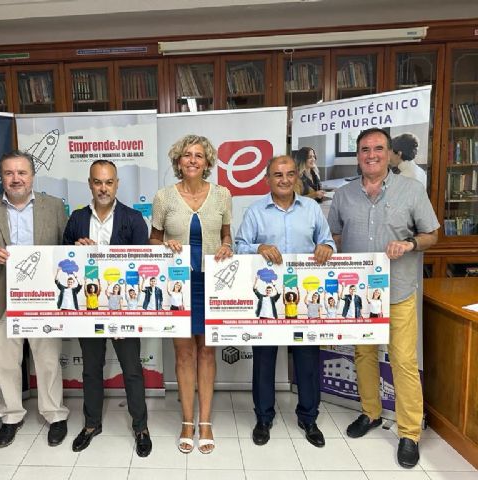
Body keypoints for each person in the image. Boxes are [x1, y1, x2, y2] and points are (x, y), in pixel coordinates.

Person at [328, 127, 439, 468]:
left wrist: (409, 244)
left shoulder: (411, 190)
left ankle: (408, 432)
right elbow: (334, 234)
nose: (371, 155)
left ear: (390, 154)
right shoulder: (344, 195)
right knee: (363, 355)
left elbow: (432, 234)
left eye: (378, 148)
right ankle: (371, 413)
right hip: (360, 296)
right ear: (358, 155)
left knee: (403, 361)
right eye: (364, 149)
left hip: (399, 291)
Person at [0, 150, 69, 449]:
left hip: (44, 299)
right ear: (2, 177)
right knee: (6, 362)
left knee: (49, 360)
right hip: (2, 296)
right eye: (9, 173)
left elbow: (65, 249)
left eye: (22, 173)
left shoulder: (53, 207)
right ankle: (11, 416)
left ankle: (54, 414)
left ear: (32, 176)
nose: (16, 179)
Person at [235, 154, 335, 449]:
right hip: (267, 298)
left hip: (303, 301)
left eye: (290, 174)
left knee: (306, 361)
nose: (284, 179)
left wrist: (325, 248)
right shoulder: (255, 211)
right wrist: (259, 246)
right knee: (264, 360)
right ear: (268, 179)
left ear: (297, 177)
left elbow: (328, 241)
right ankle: (263, 418)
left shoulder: (312, 209)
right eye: (278, 175)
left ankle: (308, 417)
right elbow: (240, 247)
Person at [62, 159, 152, 457]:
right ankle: (91, 424)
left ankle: (141, 427)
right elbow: (63, 262)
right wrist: (76, 247)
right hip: (88, 309)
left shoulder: (133, 219)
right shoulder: (76, 219)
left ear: (117, 184)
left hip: (124, 309)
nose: (103, 187)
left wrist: (129, 314)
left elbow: (142, 271)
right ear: (90, 184)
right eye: (97, 182)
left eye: (109, 182)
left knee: (132, 371)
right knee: (90, 369)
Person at [151, 134, 233, 454]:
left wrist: (227, 245)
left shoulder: (223, 195)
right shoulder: (164, 197)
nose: (193, 160)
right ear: (178, 161)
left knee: (207, 353)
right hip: (178, 286)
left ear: (208, 162)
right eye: (187, 155)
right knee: (184, 354)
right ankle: (188, 421)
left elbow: (226, 234)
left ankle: (206, 421)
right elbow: (153, 240)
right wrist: (164, 245)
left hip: (212, 283)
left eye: (199, 155)